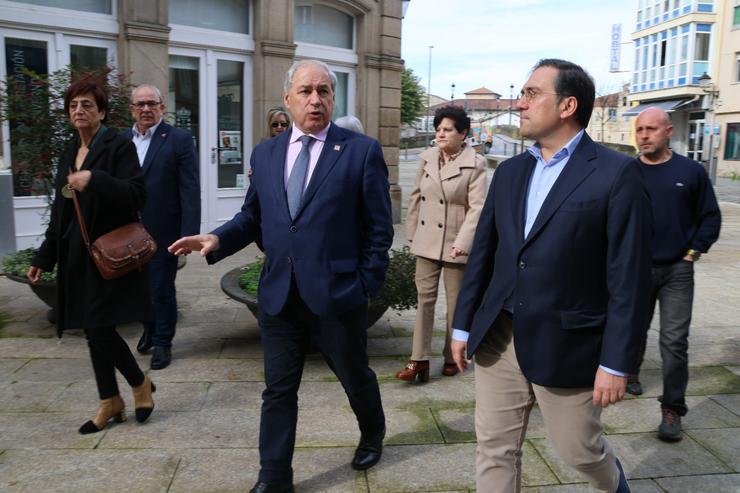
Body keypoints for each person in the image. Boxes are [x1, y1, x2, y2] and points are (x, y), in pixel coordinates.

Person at [169, 59, 393, 493]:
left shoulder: (359, 151)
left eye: (325, 91)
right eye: (306, 91)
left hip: (336, 293)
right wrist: (217, 239)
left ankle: (372, 432)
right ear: (287, 98)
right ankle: (273, 477)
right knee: (278, 390)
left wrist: (366, 284)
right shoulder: (266, 153)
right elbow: (253, 215)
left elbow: (378, 229)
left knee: (354, 375)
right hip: (279, 295)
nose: (316, 99)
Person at [451, 59, 652, 493]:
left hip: (569, 342)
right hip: (499, 336)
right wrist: (463, 324)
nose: (520, 104)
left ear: (568, 105)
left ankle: (617, 486)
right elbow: (485, 255)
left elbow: (629, 279)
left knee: (579, 449)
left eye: (531, 93)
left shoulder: (616, 174)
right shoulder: (510, 172)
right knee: (493, 448)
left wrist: (616, 362)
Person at [28, 77, 155, 434]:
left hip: (107, 253)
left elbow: (136, 194)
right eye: (73, 106)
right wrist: (43, 258)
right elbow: (61, 211)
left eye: (86, 105)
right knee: (90, 329)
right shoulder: (69, 151)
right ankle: (109, 400)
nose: (79, 111)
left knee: (98, 328)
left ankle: (137, 383)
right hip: (74, 256)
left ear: (101, 111)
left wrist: (94, 178)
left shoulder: (118, 146)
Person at [628, 106, 721, 441]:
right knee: (632, 328)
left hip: (677, 271)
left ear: (668, 131)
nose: (644, 136)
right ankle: (630, 371)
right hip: (636, 269)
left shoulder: (691, 171)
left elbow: (710, 216)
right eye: (640, 130)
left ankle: (672, 408)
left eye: (651, 129)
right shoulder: (626, 172)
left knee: (674, 341)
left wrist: (693, 252)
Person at [396, 105, 486, 382]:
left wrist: (464, 242)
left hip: (455, 243)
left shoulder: (476, 163)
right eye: (438, 130)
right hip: (426, 241)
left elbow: (478, 208)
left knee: (457, 304)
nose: (440, 135)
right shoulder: (428, 158)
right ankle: (419, 360)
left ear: (463, 133)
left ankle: (452, 356)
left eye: (447, 130)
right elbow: (415, 197)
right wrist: (413, 232)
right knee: (424, 301)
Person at [123, 84, 200, 370]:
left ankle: (163, 343)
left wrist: (189, 234)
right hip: (128, 232)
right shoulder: (121, 141)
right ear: (132, 109)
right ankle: (149, 328)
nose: (145, 109)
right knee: (137, 288)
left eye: (151, 103)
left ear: (162, 107)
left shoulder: (178, 139)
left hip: (163, 230)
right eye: (140, 104)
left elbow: (190, 189)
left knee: (161, 288)